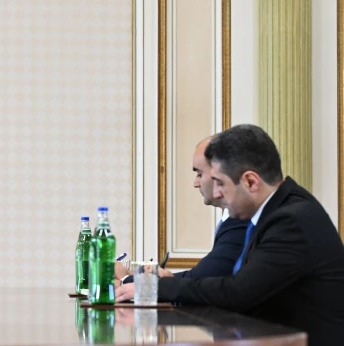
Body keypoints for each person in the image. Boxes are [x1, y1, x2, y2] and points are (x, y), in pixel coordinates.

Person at [117, 124, 344, 345]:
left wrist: (158, 286)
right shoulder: (278, 210)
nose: (216, 193)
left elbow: (238, 292)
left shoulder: (291, 221)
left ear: (250, 181)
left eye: (220, 183)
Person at [116, 137, 249, 283]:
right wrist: (133, 276)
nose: (195, 183)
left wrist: (125, 279)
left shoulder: (241, 220)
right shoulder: (232, 218)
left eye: (200, 174)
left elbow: (203, 278)